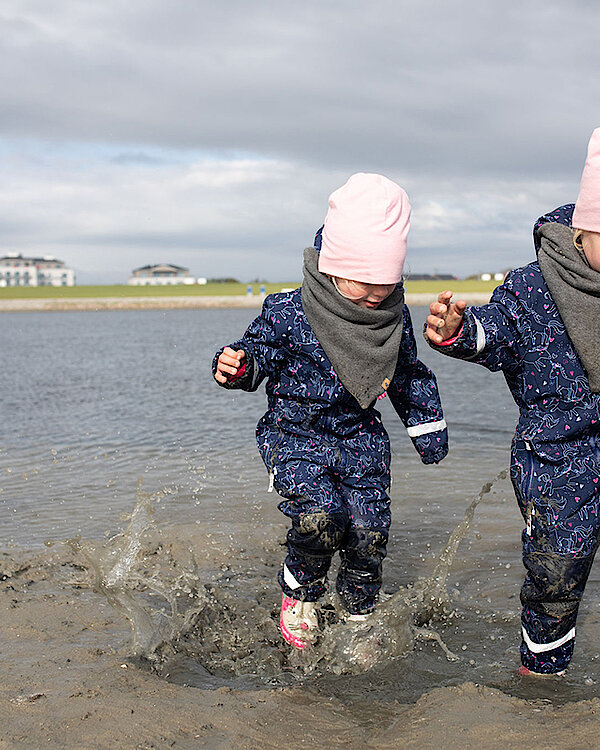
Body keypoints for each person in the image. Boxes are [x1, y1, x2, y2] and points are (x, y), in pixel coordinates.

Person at [213, 173, 448, 649]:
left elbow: (404, 374)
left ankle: (359, 612)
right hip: (295, 436)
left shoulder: (391, 317)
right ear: (333, 267)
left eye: (386, 284)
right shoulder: (289, 311)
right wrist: (238, 367)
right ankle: (301, 591)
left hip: (360, 439)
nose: (376, 297)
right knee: (321, 517)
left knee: (368, 529)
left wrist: (427, 428)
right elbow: (261, 353)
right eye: (364, 284)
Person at [425, 128, 600, 676]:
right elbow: (494, 335)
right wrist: (459, 332)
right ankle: (542, 681)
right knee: (557, 577)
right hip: (557, 457)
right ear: (583, 230)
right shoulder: (533, 286)